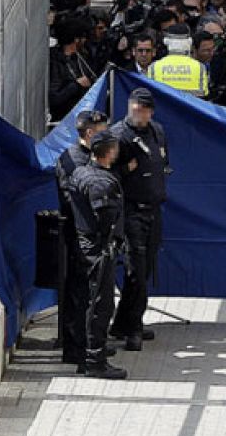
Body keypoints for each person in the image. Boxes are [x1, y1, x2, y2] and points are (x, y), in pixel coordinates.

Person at [109, 87, 168, 350]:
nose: (138, 113)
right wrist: (125, 169)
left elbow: (162, 162)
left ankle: (122, 322)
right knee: (136, 271)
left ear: (150, 112)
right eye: (134, 108)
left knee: (145, 270)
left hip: (153, 210)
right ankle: (133, 328)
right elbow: (106, 173)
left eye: (142, 110)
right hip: (131, 211)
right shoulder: (119, 136)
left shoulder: (156, 131)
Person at [68, 130, 128, 379]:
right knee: (101, 305)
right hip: (99, 249)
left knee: (89, 302)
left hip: (85, 244)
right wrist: (110, 241)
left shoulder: (80, 172)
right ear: (110, 151)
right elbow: (106, 219)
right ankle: (95, 360)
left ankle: (87, 356)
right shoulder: (100, 183)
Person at [57, 110, 110, 369]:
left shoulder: (86, 158)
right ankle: (78, 349)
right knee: (81, 293)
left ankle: (85, 344)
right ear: (90, 133)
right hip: (79, 235)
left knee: (88, 292)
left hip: (86, 233)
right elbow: (75, 200)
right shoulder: (73, 161)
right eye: (102, 130)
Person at [150, 23, 208, 96]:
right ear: (189, 42)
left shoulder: (154, 67)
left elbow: (151, 97)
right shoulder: (200, 68)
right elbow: (203, 98)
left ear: (166, 41)